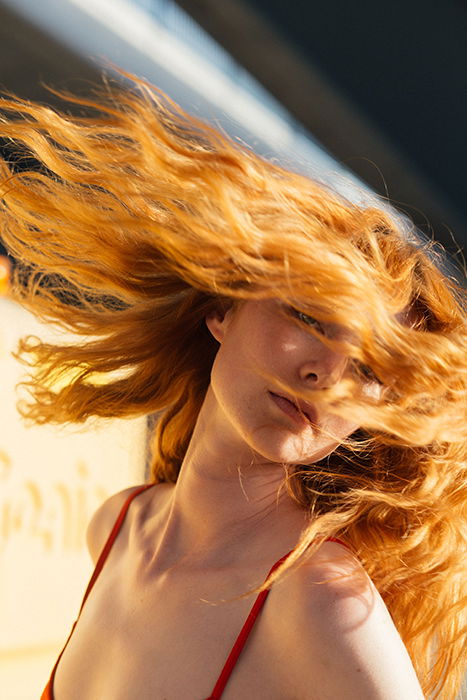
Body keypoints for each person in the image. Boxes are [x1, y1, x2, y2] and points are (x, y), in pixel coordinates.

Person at [0, 72, 465, 700]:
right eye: (308, 318)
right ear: (223, 309)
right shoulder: (118, 524)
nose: (326, 376)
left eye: (370, 369)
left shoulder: (320, 598)